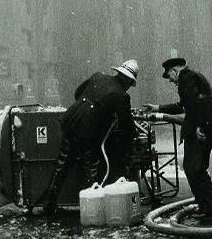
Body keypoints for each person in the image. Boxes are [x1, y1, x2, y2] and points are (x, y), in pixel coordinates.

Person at [39, 59, 138, 216]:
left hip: (71, 122)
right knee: (91, 167)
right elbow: (126, 125)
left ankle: (49, 204)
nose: (128, 87)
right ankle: (94, 208)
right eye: (130, 83)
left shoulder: (97, 76)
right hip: (88, 133)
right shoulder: (121, 95)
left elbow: (77, 93)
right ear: (127, 80)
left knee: (61, 165)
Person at [144, 57, 212, 220]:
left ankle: (209, 208)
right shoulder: (193, 77)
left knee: (194, 168)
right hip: (207, 123)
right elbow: (184, 105)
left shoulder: (185, 77)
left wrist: (198, 126)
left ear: (174, 70)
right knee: (195, 168)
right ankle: (207, 206)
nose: (171, 81)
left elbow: (194, 104)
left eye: (170, 76)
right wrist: (159, 108)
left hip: (203, 125)